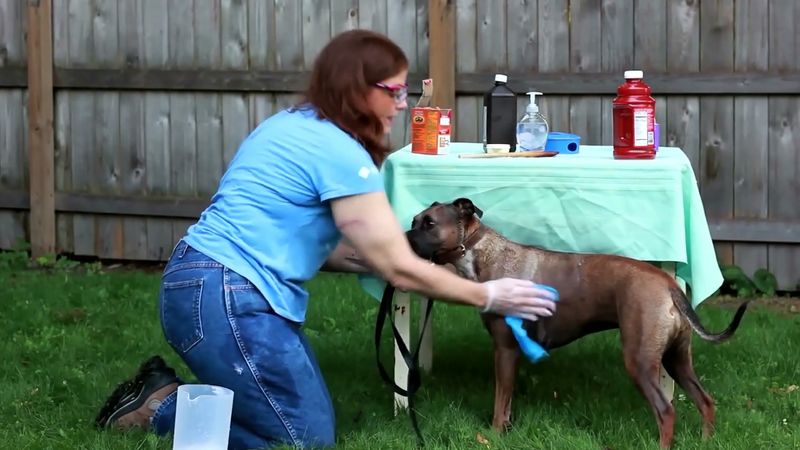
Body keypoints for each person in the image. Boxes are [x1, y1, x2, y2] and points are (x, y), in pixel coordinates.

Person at [94, 29, 558, 449]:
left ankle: (185, 399)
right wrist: (487, 293)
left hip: (198, 285)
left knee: (304, 423)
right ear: (357, 90)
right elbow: (397, 265)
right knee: (303, 441)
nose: (403, 103)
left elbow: (325, 246)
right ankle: (163, 406)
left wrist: (390, 261)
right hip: (228, 297)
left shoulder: (291, 125)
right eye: (394, 91)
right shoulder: (339, 151)